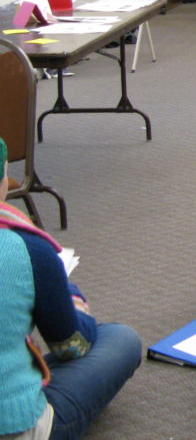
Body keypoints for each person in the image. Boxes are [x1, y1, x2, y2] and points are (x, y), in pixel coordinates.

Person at [0, 137, 142, 439]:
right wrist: (71, 295)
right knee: (121, 339)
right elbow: (70, 346)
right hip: (14, 425)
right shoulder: (29, 249)